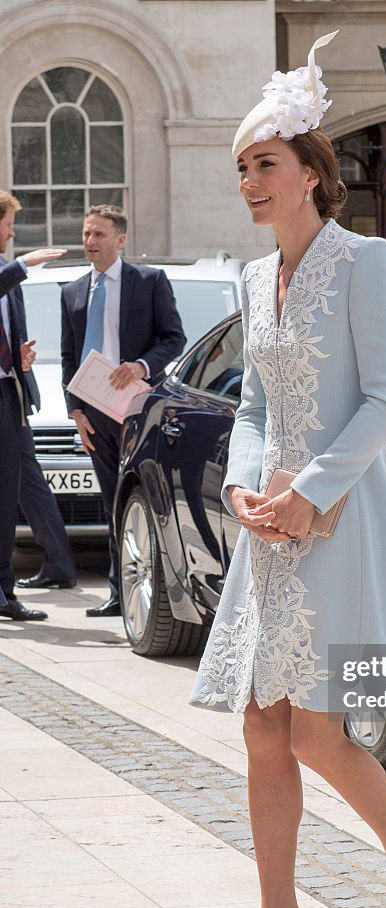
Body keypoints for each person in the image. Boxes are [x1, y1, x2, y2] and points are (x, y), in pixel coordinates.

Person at [188, 31, 386, 908]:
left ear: (310, 172)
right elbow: (254, 404)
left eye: (265, 164)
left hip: (337, 521)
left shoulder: (365, 260)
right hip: (269, 527)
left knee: (314, 732)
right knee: (263, 729)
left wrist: (310, 492)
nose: (250, 183)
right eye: (242, 169)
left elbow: (385, 399)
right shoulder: (256, 280)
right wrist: (241, 486)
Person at [60, 205, 186, 616]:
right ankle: (118, 591)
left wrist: (141, 365)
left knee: (138, 495)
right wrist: (75, 411)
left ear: (120, 239)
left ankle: (151, 584)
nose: (90, 242)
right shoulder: (73, 291)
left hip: (137, 408)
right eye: (86, 234)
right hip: (94, 413)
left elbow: (174, 337)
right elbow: (68, 357)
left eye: (98, 234)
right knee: (112, 497)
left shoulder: (148, 281)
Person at [0, 191, 68, 620]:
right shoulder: (10, 273)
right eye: (7, 223)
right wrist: (25, 264)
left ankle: (4, 592)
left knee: (8, 499)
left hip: (9, 395)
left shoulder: (9, 281)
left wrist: (18, 356)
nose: (10, 233)